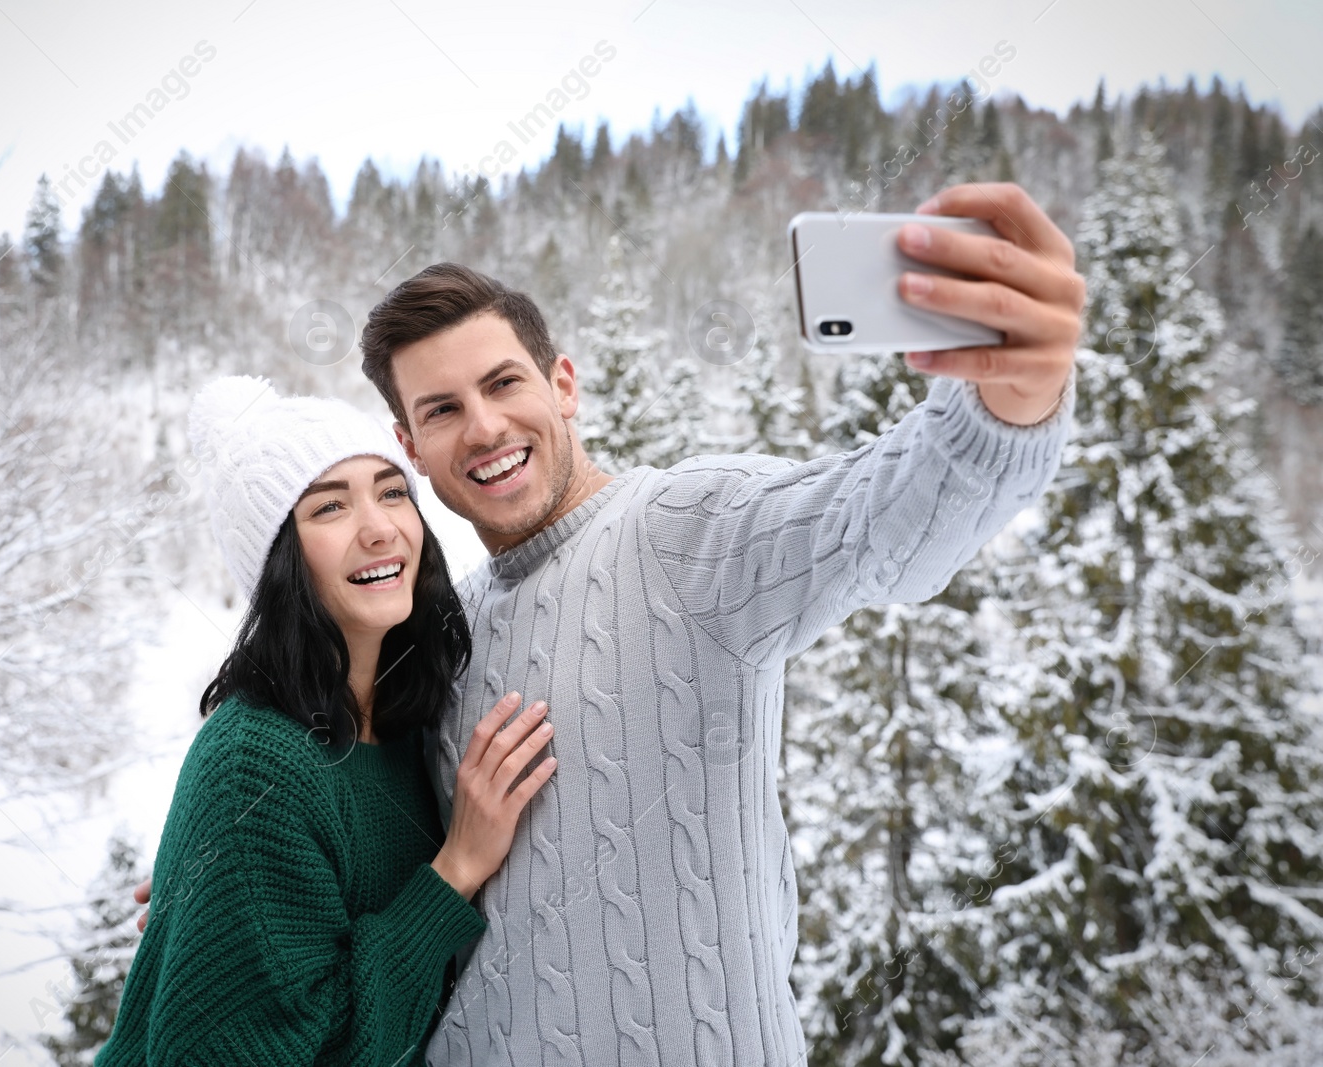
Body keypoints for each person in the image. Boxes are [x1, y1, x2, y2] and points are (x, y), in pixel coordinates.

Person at [136, 182, 1084, 1065]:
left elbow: (881, 520)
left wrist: (1009, 403)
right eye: (443, 409)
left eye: (505, 384)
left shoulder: (687, 534)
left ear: (564, 385)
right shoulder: (441, 641)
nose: (485, 427)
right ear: (412, 446)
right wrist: (219, 907)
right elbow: (373, 837)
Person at [94, 376, 555, 1066]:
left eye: (392, 491)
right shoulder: (257, 762)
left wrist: (232, 896)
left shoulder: (407, 719)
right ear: (280, 560)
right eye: (329, 507)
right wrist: (454, 868)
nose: (379, 528)